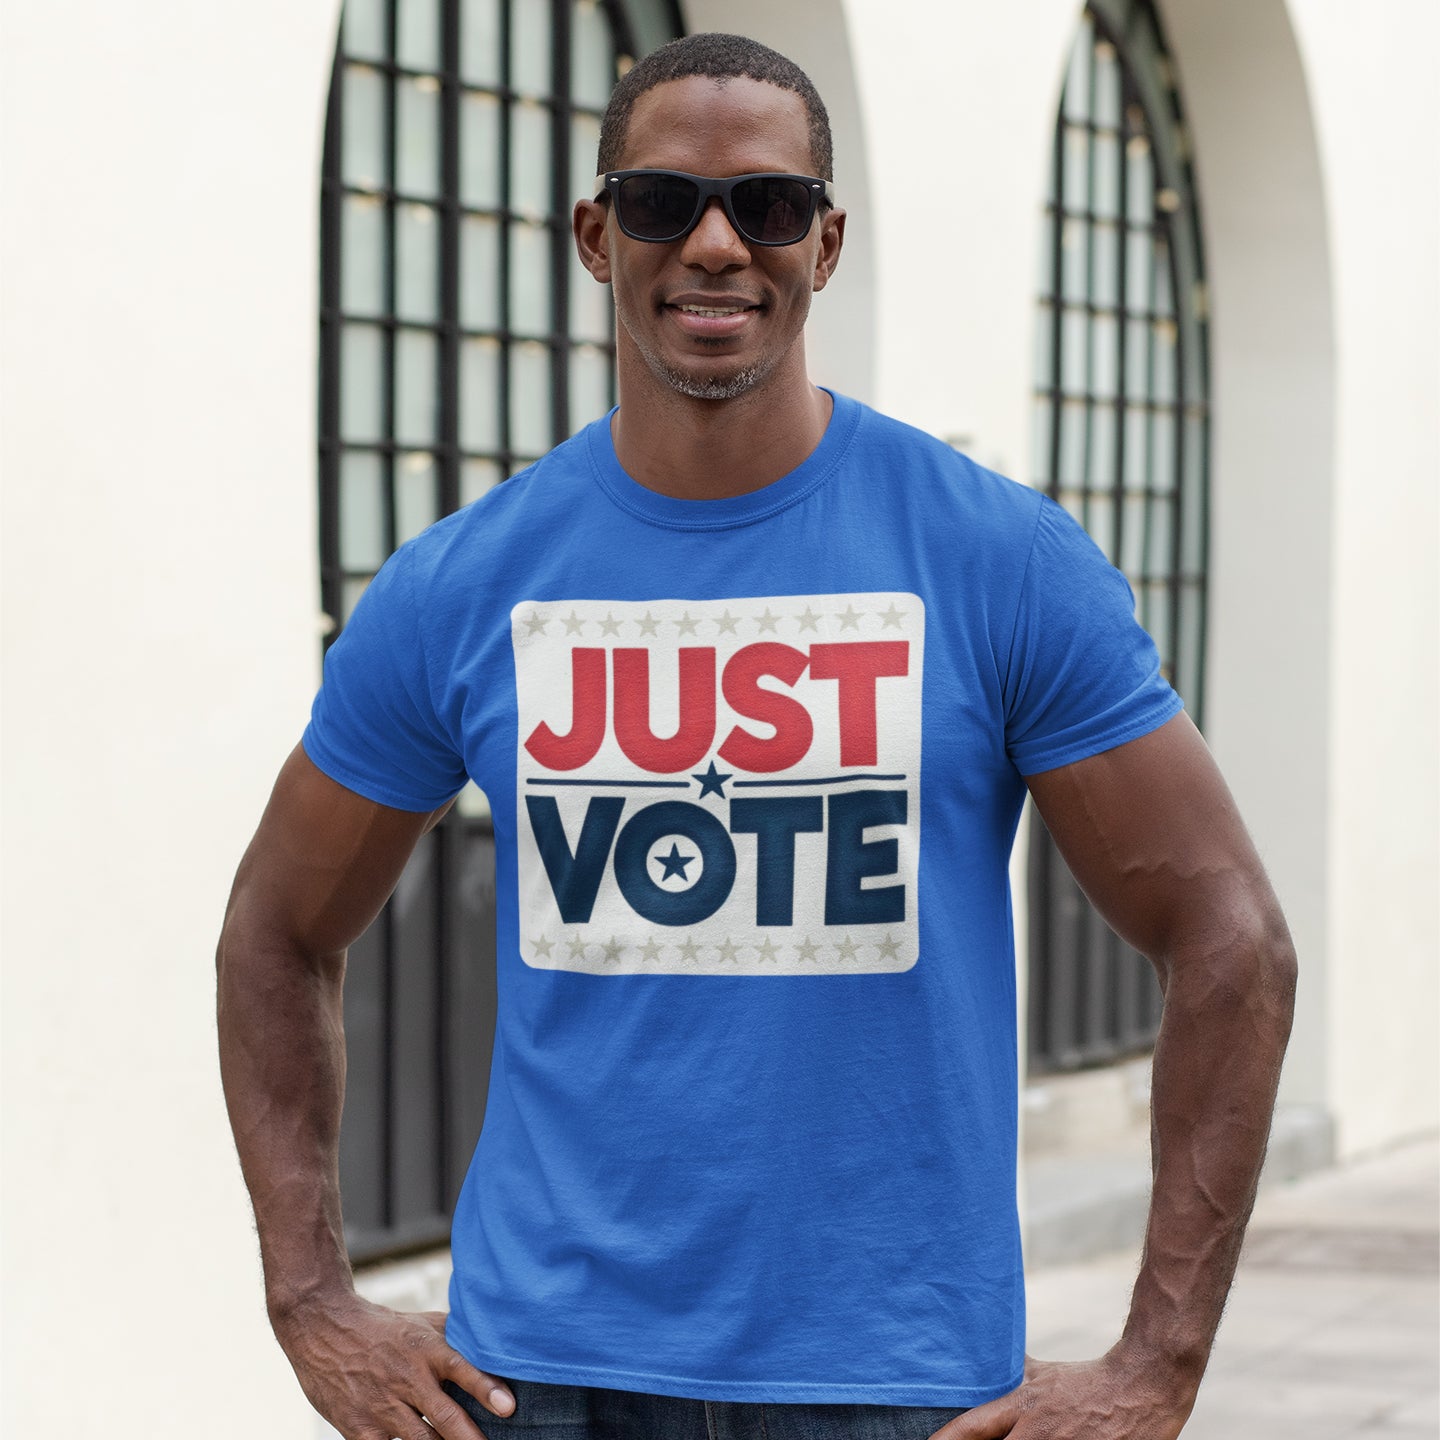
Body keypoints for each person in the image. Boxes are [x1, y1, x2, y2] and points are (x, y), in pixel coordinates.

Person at [217, 32, 1296, 1440]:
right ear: (599, 237)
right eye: (665, 203)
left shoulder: (993, 559)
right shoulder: (469, 583)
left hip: (891, 1386)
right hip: (540, 1380)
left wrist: (1159, 1363)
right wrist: (309, 1300)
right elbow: (274, 931)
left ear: (826, 243)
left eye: (769, 207)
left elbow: (1232, 937)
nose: (717, 244)